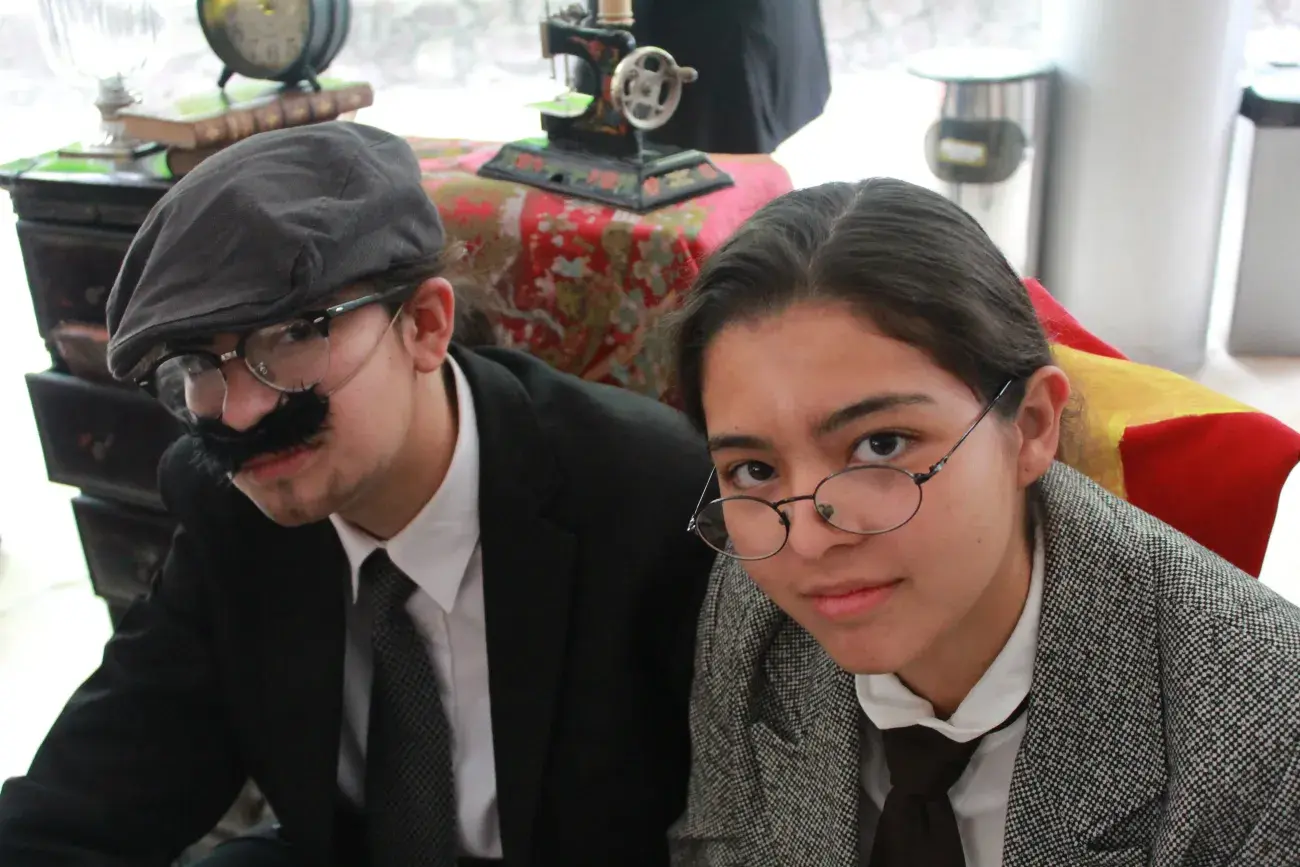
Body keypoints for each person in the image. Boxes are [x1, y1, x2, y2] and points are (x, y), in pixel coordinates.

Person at [0, 122, 716, 867]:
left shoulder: (650, 500)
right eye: (196, 363)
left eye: (292, 336)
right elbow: (91, 792)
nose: (240, 412)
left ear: (426, 326)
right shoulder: (227, 505)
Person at [665, 178, 1300, 866]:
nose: (810, 540)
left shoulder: (1263, 724)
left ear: (1030, 426)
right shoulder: (753, 602)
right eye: (755, 469)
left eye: (881, 445)